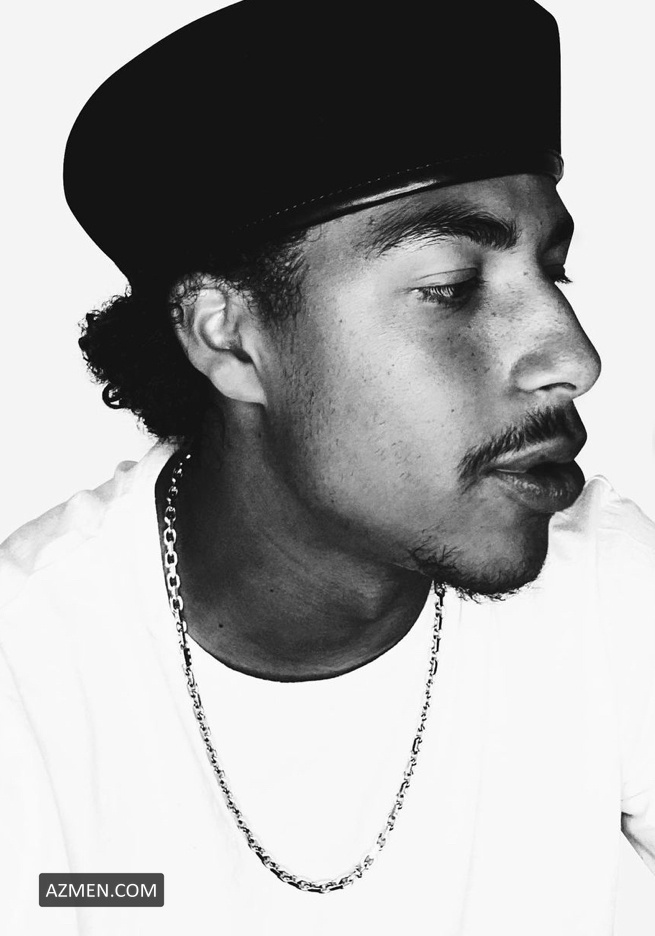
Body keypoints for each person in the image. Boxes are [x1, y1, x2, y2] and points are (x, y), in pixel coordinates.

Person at [1, 0, 654, 933]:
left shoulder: (606, 581)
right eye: (449, 288)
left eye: (553, 272)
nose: (573, 358)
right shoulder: (25, 677)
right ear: (229, 338)